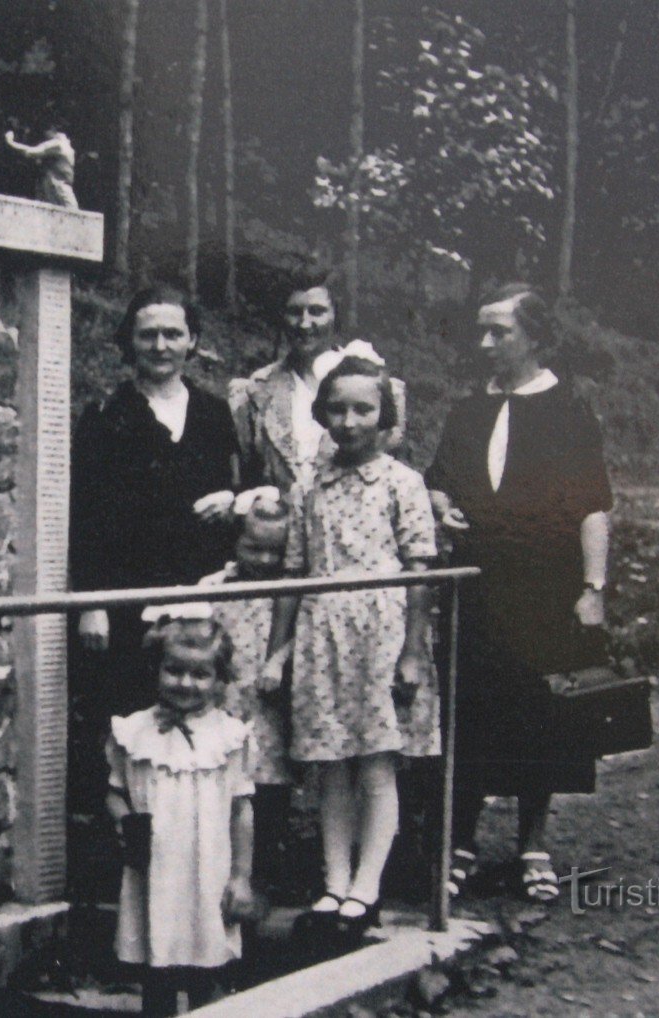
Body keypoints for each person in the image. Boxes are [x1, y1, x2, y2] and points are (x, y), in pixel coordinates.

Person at [424, 282, 614, 903]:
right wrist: (442, 506)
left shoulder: (569, 409)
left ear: (535, 336)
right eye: (480, 331)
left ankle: (533, 842)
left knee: (541, 713)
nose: (484, 344)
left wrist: (593, 588)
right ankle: (462, 843)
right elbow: (438, 481)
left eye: (498, 332)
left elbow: (592, 505)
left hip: (544, 587)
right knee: (470, 711)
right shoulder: (466, 411)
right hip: (475, 587)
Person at [68, 284, 240, 897]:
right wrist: (89, 603)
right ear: (128, 343)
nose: (161, 345)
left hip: (201, 596)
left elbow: (246, 502)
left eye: (173, 333)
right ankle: (130, 881)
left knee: (202, 726)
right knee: (134, 732)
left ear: (192, 341)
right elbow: (83, 517)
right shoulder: (107, 417)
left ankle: (203, 877)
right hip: (125, 601)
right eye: (148, 334)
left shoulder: (217, 415)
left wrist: (237, 504)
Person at [264, 347, 439, 933]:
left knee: (375, 766)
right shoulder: (310, 484)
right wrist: (279, 649)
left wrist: (413, 650)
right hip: (321, 633)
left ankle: (367, 889)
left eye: (364, 409)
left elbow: (420, 570)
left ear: (384, 415)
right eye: (336, 409)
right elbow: (295, 571)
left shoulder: (402, 482)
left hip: (382, 634)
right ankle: (334, 885)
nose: (350, 422)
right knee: (329, 765)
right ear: (322, 414)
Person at [106, 609, 256, 1016]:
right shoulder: (132, 732)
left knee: (207, 965)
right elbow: (115, 793)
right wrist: (124, 821)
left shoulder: (229, 736)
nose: (186, 683)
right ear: (156, 669)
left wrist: (242, 877)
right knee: (157, 965)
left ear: (219, 678)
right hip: (155, 870)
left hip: (208, 870)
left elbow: (241, 810)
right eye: (174, 670)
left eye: (201, 674)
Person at [230, 273, 407, 495]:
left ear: (335, 316)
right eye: (295, 312)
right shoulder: (256, 391)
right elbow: (243, 479)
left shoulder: (371, 384)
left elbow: (396, 475)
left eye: (317, 311)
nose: (304, 324)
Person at [199, 492, 295, 901]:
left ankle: (266, 873)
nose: (265, 560)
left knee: (268, 788)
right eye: (254, 547)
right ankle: (218, 872)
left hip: (267, 707)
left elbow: (296, 635)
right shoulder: (215, 586)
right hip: (225, 705)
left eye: (276, 552)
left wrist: (279, 662)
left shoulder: (290, 594)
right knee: (222, 789)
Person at [4, 123, 78, 208]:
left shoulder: (59, 144)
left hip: (60, 186)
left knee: (73, 214)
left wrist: (10, 142)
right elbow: (31, 153)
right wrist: (11, 143)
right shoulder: (59, 144)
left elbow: (30, 152)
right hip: (56, 185)